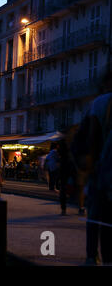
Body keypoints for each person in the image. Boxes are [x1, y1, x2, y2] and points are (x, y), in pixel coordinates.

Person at [72, 78, 112, 265]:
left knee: (96, 216)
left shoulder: (98, 104)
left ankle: (92, 256)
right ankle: (106, 257)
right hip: (102, 168)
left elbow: (88, 138)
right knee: (104, 217)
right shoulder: (102, 103)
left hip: (99, 168)